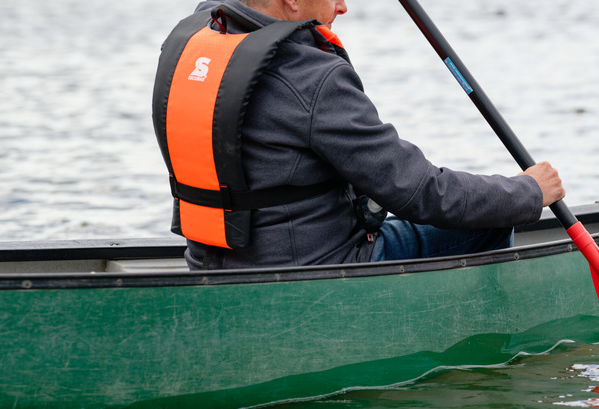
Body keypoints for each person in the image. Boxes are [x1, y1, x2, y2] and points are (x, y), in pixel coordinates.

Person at [153, 0, 564, 270]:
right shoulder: (311, 77)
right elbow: (421, 193)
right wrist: (528, 192)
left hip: (211, 262)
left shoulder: (193, 46)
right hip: (315, 271)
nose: (343, 6)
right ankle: (471, 347)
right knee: (488, 219)